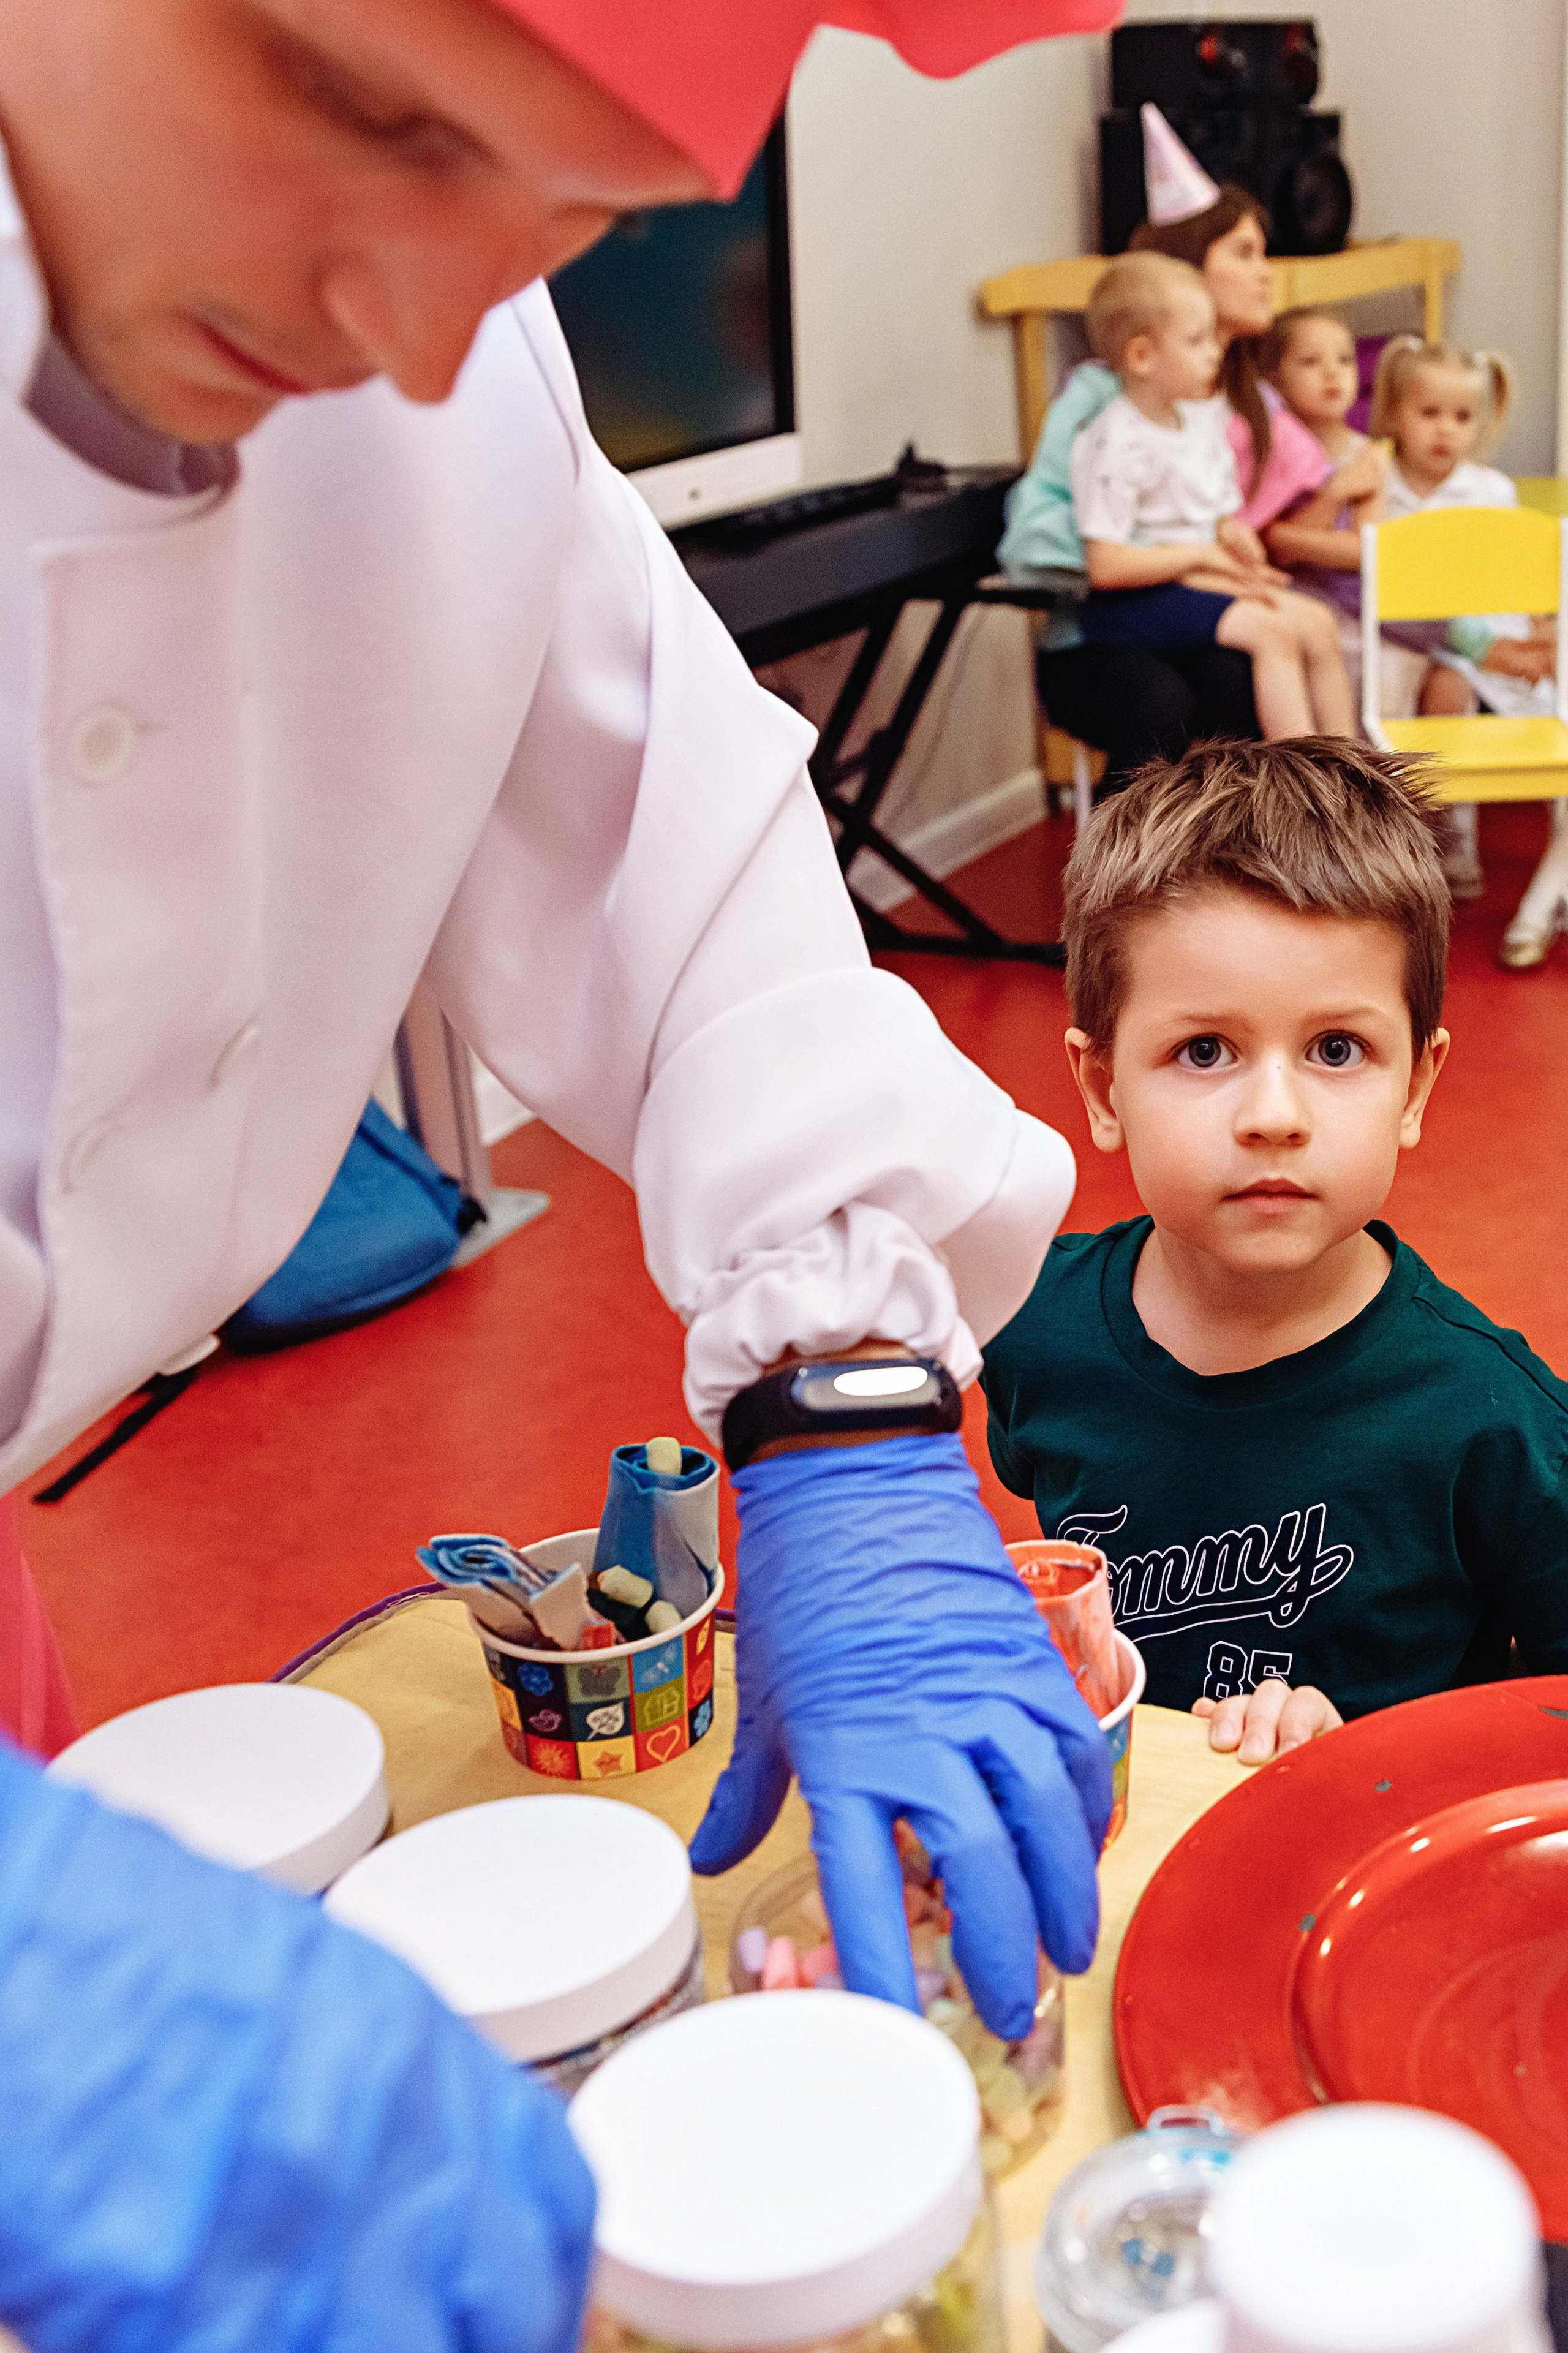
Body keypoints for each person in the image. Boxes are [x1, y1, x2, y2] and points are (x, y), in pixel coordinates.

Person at [0, 0, 1121, 2343]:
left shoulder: (441, 372)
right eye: (357, 103)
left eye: (556, 216)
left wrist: (844, 1408)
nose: (404, 329)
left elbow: (670, 856)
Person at [981, 738, 1568, 1767]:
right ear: (1103, 1088)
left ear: (1416, 1088)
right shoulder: (1030, 1329)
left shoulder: (1503, 1423)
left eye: (1337, 1050)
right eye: (1204, 1050)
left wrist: (1374, 1761)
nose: (1273, 1115)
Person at [1000, 106, 1333, 791]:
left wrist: (1234, 549)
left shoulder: (1240, 400)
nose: (1266, 273)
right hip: (1105, 625)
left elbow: (1263, 510)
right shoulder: (1106, 404)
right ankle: (1136, 880)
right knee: (1168, 704)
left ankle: (1269, 855)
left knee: (1244, 674)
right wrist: (1191, 560)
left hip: (1193, 600)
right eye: (1243, 254)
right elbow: (1041, 544)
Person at [1069, 255, 1354, 739]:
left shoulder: (1199, 425)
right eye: (1196, 341)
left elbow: (1218, 515)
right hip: (1133, 604)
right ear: (1142, 357)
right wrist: (1207, 558)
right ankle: (1307, 793)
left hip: (1197, 581)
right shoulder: (1115, 439)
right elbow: (1107, 567)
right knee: (1272, 633)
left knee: (1319, 623)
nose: (1213, 353)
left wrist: (1233, 537)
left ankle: (1352, 780)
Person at [1368, 336, 1528, 905]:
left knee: (1451, 681)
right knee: (1381, 682)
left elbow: (1505, 582)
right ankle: (1386, 833)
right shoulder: (1376, 485)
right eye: (1429, 413)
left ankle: (1446, 824)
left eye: (1461, 417)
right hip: (1392, 632)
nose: (1445, 430)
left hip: (1470, 638)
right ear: (1395, 412)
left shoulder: (1490, 491)